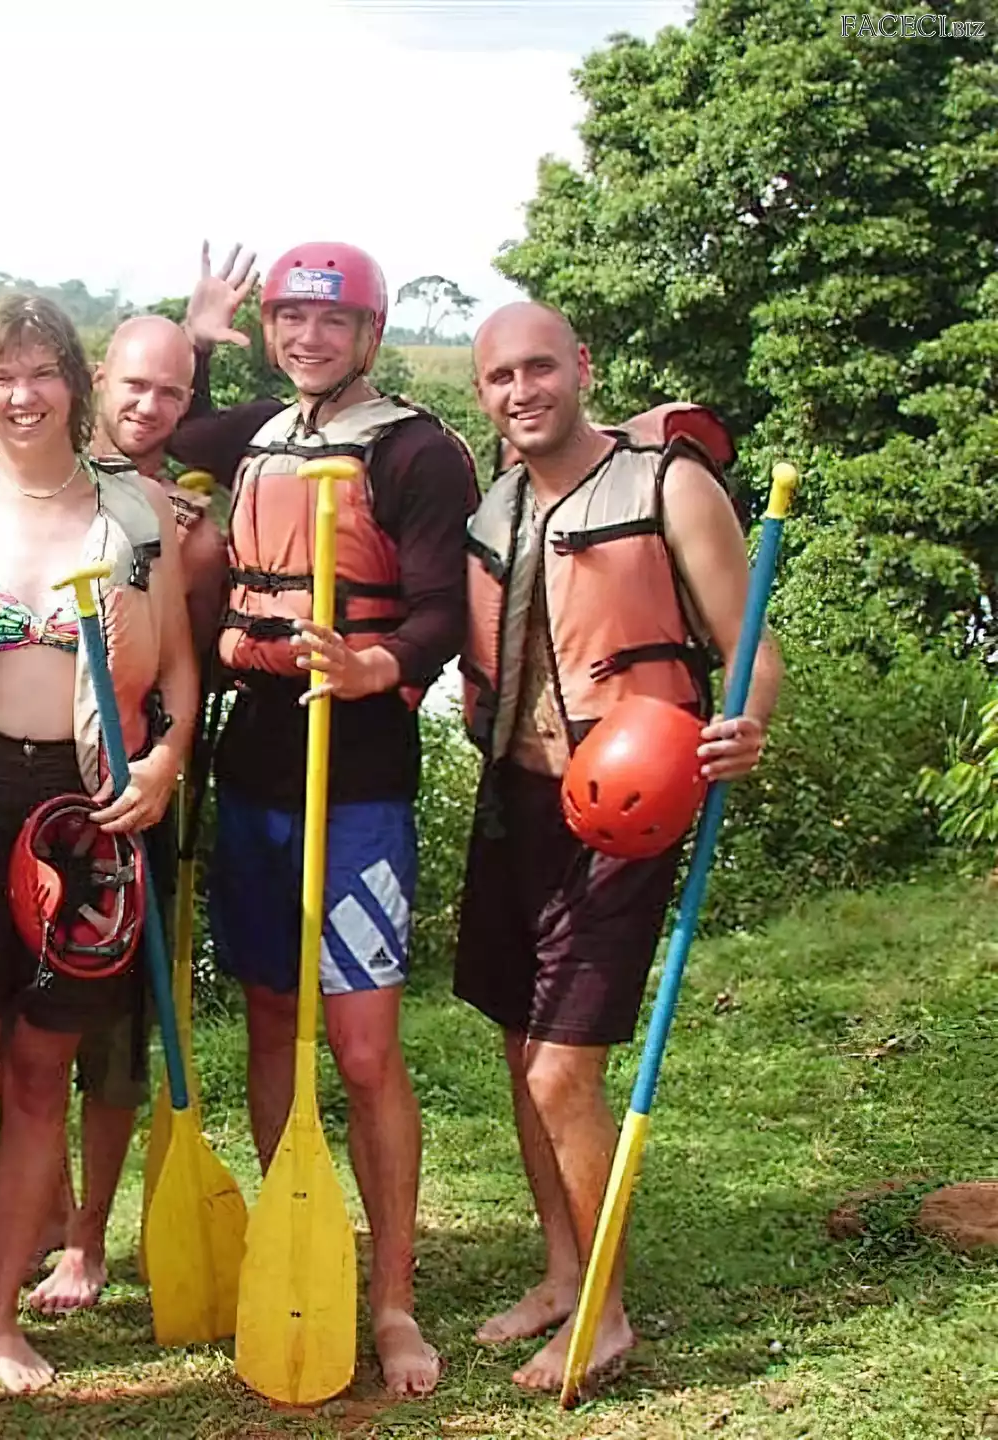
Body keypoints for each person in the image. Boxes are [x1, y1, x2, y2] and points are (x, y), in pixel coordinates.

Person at [456, 301, 780, 1392]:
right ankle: (562, 1273)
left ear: (582, 366)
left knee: (562, 1068)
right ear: (483, 393)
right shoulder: (495, 506)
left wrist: (746, 724)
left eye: (539, 367)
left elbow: (751, 648)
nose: (522, 391)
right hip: (517, 801)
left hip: (630, 800)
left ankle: (604, 1313)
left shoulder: (668, 484)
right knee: (521, 1048)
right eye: (500, 377)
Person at [0, 294, 199, 1409]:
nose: (21, 395)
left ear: (74, 380)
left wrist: (165, 765)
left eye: (39, 372)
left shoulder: (135, 508)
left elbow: (178, 669)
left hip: (85, 806)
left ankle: (6, 1319)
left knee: (37, 1075)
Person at [207, 241, 479, 1398]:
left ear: (369, 335)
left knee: (363, 1050)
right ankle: (294, 1245)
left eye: (332, 323)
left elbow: (443, 610)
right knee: (275, 1020)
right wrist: (204, 336)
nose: (308, 339)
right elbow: (169, 430)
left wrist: (382, 663)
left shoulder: (417, 452)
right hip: (256, 765)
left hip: (357, 775)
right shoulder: (260, 433)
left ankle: (394, 1300)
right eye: (289, 321)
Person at [28, 247, 262, 1316]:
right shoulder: (29, 473)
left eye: (172, 392)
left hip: (138, 786)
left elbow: (189, 665)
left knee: (117, 1031)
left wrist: (167, 764)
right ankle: (40, 1211)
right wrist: (194, 333)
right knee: (24, 1019)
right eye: (135, 386)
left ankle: (86, 1239)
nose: (151, 407)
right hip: (24, 778)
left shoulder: (190, 515)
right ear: (96, 383)